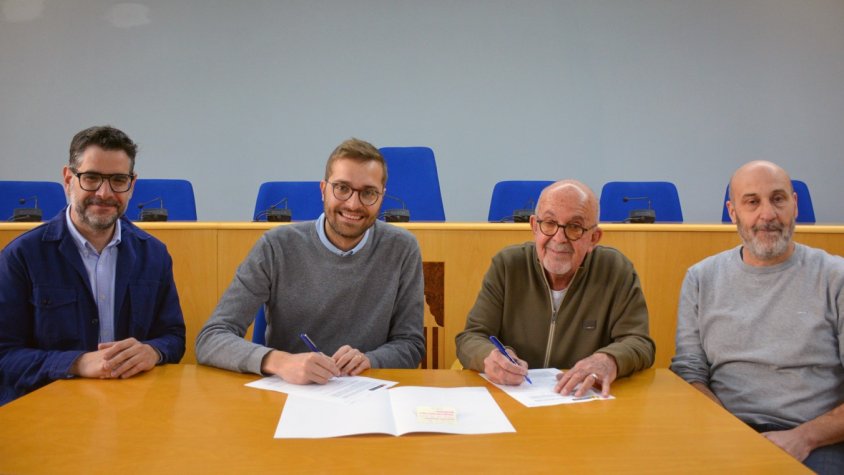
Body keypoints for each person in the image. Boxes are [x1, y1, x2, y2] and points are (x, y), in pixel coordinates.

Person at [196, 138, 425, 384]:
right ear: (323, 189)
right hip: (287, 395)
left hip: (366, 396)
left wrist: (372, 360)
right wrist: (280, 361)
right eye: (342, 188)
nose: (353, 204)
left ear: (382, 197)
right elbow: (211, 338)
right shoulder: (276, 246)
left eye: (368, 193)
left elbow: (411, 345)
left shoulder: (402, 248)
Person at [671, 160, 844, 474]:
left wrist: (804, 437)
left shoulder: (836, 277)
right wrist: (728, 432)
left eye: (778, 199)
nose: (768, 214)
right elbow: (689, 372)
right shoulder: (700, 278)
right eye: (752, 202)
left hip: (815, 442)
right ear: (733, 212)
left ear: (795, 204)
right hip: (723, 432)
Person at [0, 125, 186, 406]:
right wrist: (76, 363)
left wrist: (153, 351)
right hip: (47, 410)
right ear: (68, 179)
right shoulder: (22, 255)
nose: (104, 192)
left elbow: (173, 336)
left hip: (131, 408)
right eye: (92, 178)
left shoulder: (154, 255)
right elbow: (5, 354)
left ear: (132, 185)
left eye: (118, 180)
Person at [456, 180, 655, 397]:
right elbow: (471, 337)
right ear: (534, 226)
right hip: (513, 401)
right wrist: (490, 356)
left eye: (575, 227)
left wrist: (608, 359)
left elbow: (639, 342)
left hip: (584, 405)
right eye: (549, 223)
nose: (559, 238)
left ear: (593, 238)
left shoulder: (616, 269)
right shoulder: (508, 265)